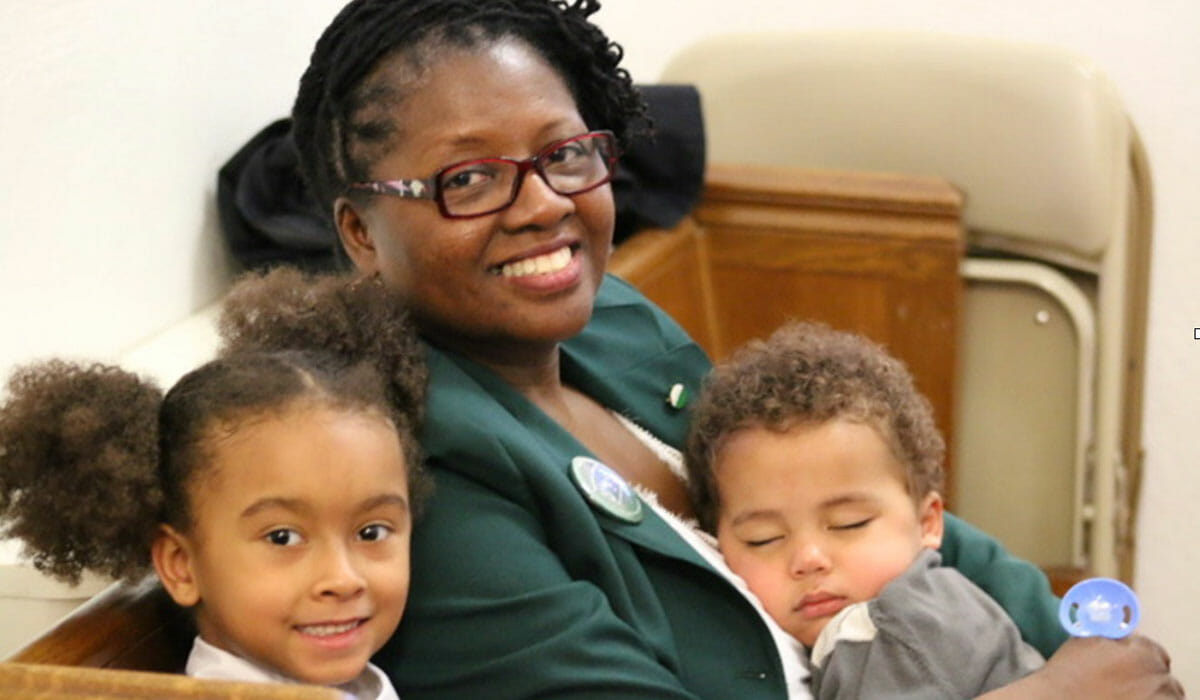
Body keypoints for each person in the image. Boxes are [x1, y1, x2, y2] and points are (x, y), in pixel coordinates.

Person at [257, 0, 1180, 697]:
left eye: (565, 154)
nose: (541, 203)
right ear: (360, 231)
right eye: (470, 178)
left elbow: (890, 515)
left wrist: (1081, 646)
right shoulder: (416, 467)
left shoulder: (612, 322)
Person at [0, 271, 427, 700]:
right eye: (283, 537)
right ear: (181, 564)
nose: (343, 578)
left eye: (371, 532)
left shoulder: (357, 684)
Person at [685, 321, 1045, 697]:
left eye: (848, 524)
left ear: (928, 523)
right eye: (764, 539)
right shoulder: (935, 600)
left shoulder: (887, 637)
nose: (809, 559)